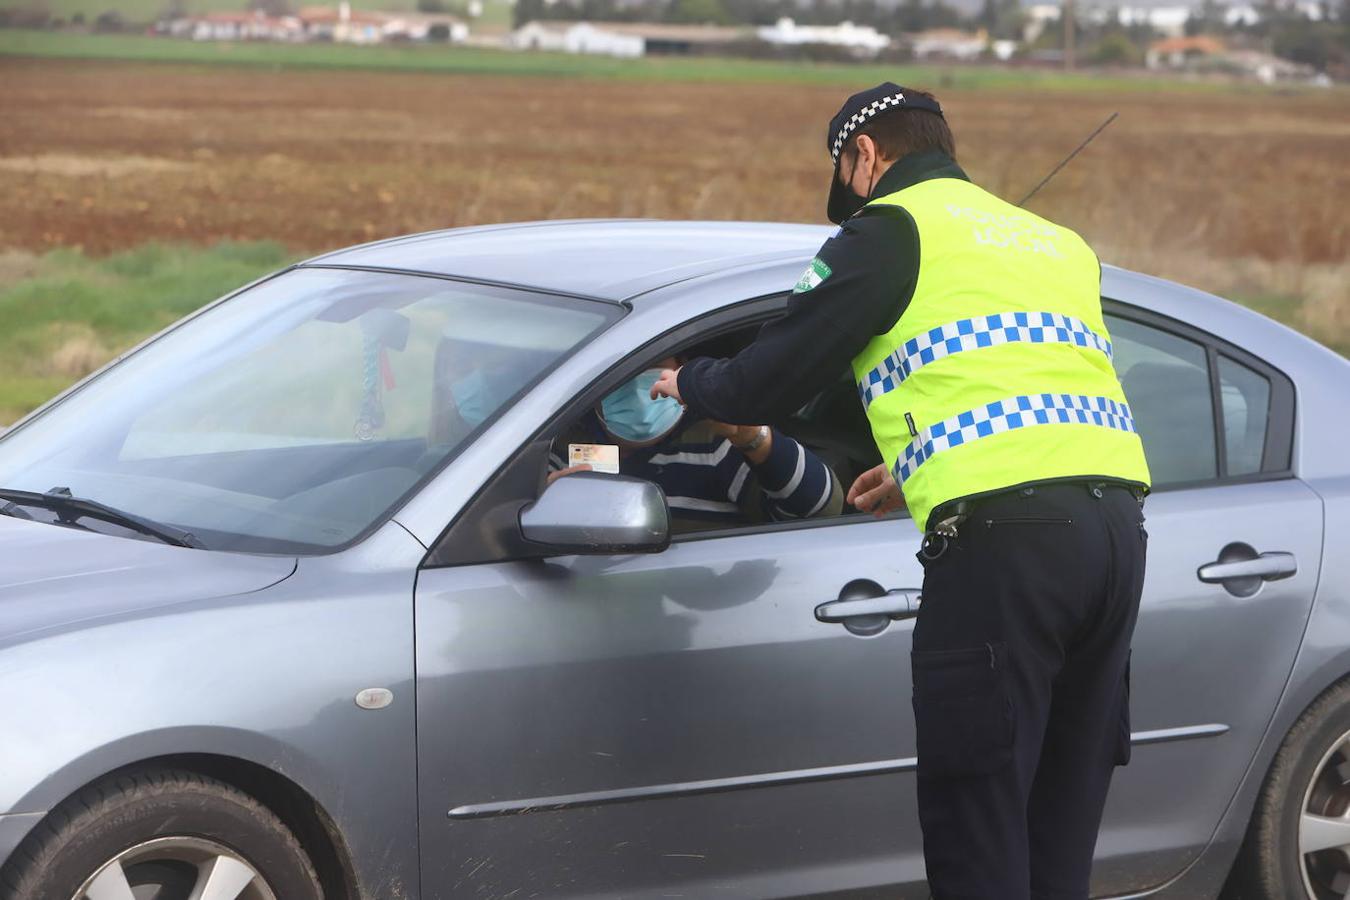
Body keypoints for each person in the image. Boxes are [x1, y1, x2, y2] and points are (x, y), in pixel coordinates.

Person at [650, 83, 1151, 899]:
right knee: (1059, 817)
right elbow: (1022, 391)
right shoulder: (1055, 242)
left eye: (849, 179)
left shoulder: (888, 230)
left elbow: (763, 381)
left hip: (1006, 553)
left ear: (865, 156)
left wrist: (690, 381)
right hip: (1116, 541)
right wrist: (917, 463)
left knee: (980, 816)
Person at [549, 357, 843, 531]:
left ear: (678, 369)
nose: (639, 392)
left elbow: (821, 509)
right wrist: (551, 501)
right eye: (623, 374)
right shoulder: (560, 445)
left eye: (651, 367)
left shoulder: (716, 441)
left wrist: (756, 439)